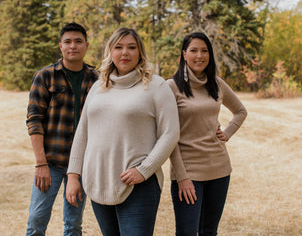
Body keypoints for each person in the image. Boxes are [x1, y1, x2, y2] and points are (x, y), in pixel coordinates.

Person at [65, 27, 180, 236]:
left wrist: (144, 170)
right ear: (110, 52)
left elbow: (170, 133)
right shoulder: (98, 87)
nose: (124, 53)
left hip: (138, 185)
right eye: (118, 47)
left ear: (140, 52)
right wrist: (73, 175)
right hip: (99, 180)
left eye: (131, 47)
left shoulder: (156, 86)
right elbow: (82, 133)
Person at [167, 32, 248, 236]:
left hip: (219, 169)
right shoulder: (172, 87)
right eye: (193, 50)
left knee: (209, 232)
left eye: (204, 51)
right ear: (184, 54)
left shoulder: (216, 83)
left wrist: (227, 133)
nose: (199, 56)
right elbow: (168, 136)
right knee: (186, 232)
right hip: (188, 172)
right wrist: (182, 177)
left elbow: (240, 111)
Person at [26, 22, 98, 235]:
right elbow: (34, 120)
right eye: (67, 42)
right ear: (60, 46)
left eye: (78, 41)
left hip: (82, 164)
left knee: (73, 223)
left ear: (86, 45)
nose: (72, 46)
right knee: (36, 220)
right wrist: (41, 164)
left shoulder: (97, 79)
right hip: (51, 162)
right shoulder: (45, 76)